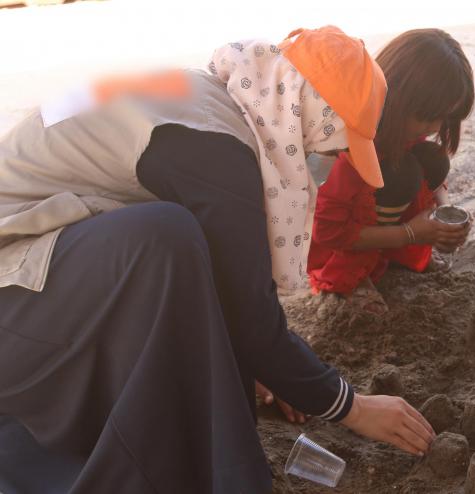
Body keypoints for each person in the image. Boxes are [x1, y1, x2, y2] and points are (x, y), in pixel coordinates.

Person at [0, 26, 434, 494]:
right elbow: (251, 316)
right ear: (310, 114)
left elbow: (224, 285)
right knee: (162, 239)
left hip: (46, 285)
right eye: (328, 145)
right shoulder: (216, 149)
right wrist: (352, 408)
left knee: (175, 248)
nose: (321, 159)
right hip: (18, 312)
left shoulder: (204, 100)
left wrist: (244, 363)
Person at [307, 28, 475, 315]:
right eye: (429, 116)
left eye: (445, 117)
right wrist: (409, 234)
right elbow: (328, 232)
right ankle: (348, 281)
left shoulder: (401, 129)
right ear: (398, 98)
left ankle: (396, 258)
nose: (436, 127)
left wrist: (442, 219)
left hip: (385, 226)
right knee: (401, 175)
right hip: (336, 249)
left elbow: (434, 183)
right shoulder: (349, 144)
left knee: (432, 159)